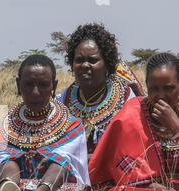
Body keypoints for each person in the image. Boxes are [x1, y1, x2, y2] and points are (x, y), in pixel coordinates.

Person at [0, 55, 101, 191]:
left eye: (43, 85)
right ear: (18, 85)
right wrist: (9, 189)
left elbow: (61, 165)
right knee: (3, 188)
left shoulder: (71, 125)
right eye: (28, 85)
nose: (35, 92)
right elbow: (7, 163)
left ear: (54, 86)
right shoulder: (6, 126)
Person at [88, 53, 179, 191]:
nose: (160, 95)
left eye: (168, 88)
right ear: (146, 86)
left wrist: (175, 126)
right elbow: (133, 177)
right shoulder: (132, 114)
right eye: (153, 89)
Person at [57, 23, 143, 156]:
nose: (85, 65)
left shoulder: (126, 99)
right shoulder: (63, 100)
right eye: (79, 60)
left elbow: (131, 149)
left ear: (107, 64)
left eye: (93, 60)